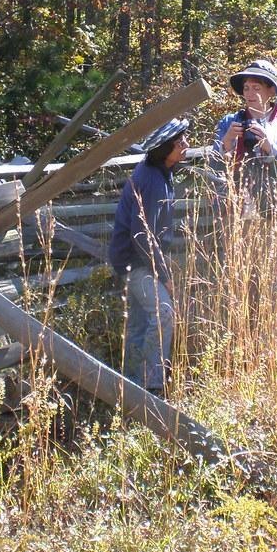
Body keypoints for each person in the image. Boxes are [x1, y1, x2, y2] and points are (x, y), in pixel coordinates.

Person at [108, 117, 190, 395]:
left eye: (184, 139)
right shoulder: (152, 180)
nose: (185, 144)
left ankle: (132, 385)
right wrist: (164, 276)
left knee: (141, 321)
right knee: (163, 312)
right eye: (179, 142)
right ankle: (152, 387)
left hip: (133, 259)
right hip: (136, 261)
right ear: (164, 148)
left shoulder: (158, 172)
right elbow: (142, 235)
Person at [212, 59, 277, 216]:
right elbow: (213, 167)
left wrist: (269, 147)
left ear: (271, 91)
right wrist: (227, 141)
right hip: (237, 203)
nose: (249, 94)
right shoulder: (229, 122)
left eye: (256, 88)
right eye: (246, 88)